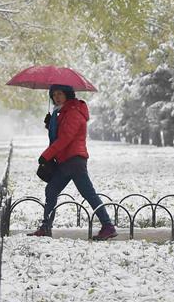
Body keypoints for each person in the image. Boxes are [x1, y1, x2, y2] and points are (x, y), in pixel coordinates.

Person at [28, 84, 117, 240]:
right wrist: (50, 125)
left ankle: (108, 226)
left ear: (67, 95)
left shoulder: (73, 112)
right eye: (54, 94)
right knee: (55, 190)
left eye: (60, 94)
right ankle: (46, 227)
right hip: (68, 160)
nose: (56, 97)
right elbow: (60, 134)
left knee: (84, 193)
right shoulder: (63, 112)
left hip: (74, 160)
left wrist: (46, 155)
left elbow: (66, 138)